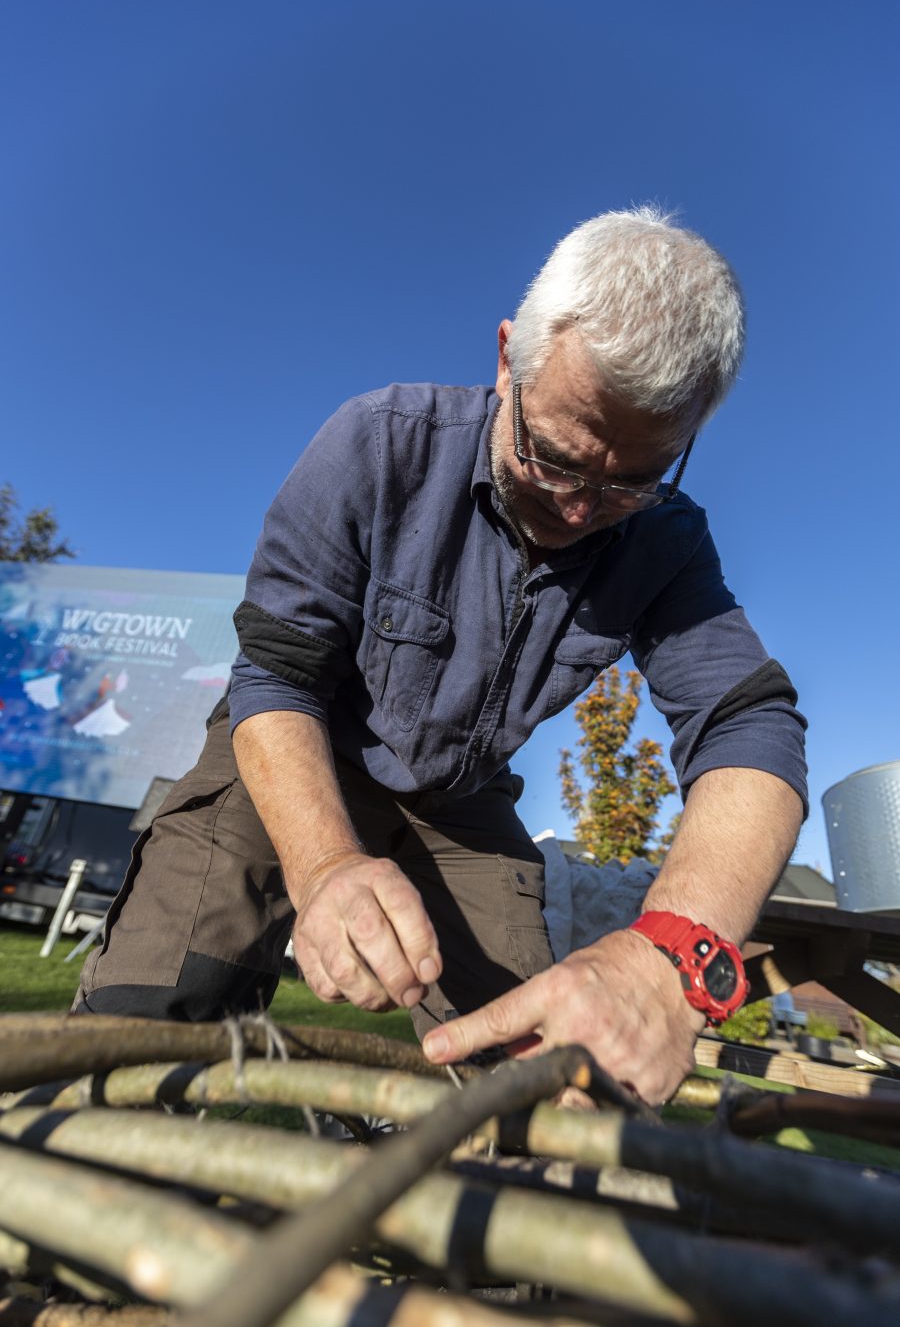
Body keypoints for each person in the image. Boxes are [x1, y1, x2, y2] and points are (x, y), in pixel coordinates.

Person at [76, 207, 807, 1104]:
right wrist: (327, 867)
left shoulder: (671, 541)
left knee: (548, 1080)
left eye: (631, 479)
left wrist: (670, 957)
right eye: (554, 458)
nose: (580, 509)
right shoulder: (377, 444)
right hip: (302, 743)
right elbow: (273, 678)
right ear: (507, 359)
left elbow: (751, 729)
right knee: (137, 1035)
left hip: (462, 803)